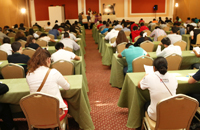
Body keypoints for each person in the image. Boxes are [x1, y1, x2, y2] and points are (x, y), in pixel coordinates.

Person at [26, 48, 70, 121]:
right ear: (49, 60)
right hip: (55, 112)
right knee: (64, 101)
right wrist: (66, 80)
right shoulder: (53, 72)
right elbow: (67, 87)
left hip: (37, 112)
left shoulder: (29, 74)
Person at [138, 57, 178, 121]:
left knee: (146, 104)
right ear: (167, 66)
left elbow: (139, 85)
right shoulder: (173, 77)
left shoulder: (149, 77)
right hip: (171, 114)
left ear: (154, 68)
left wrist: (144, 76)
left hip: (156, 116)